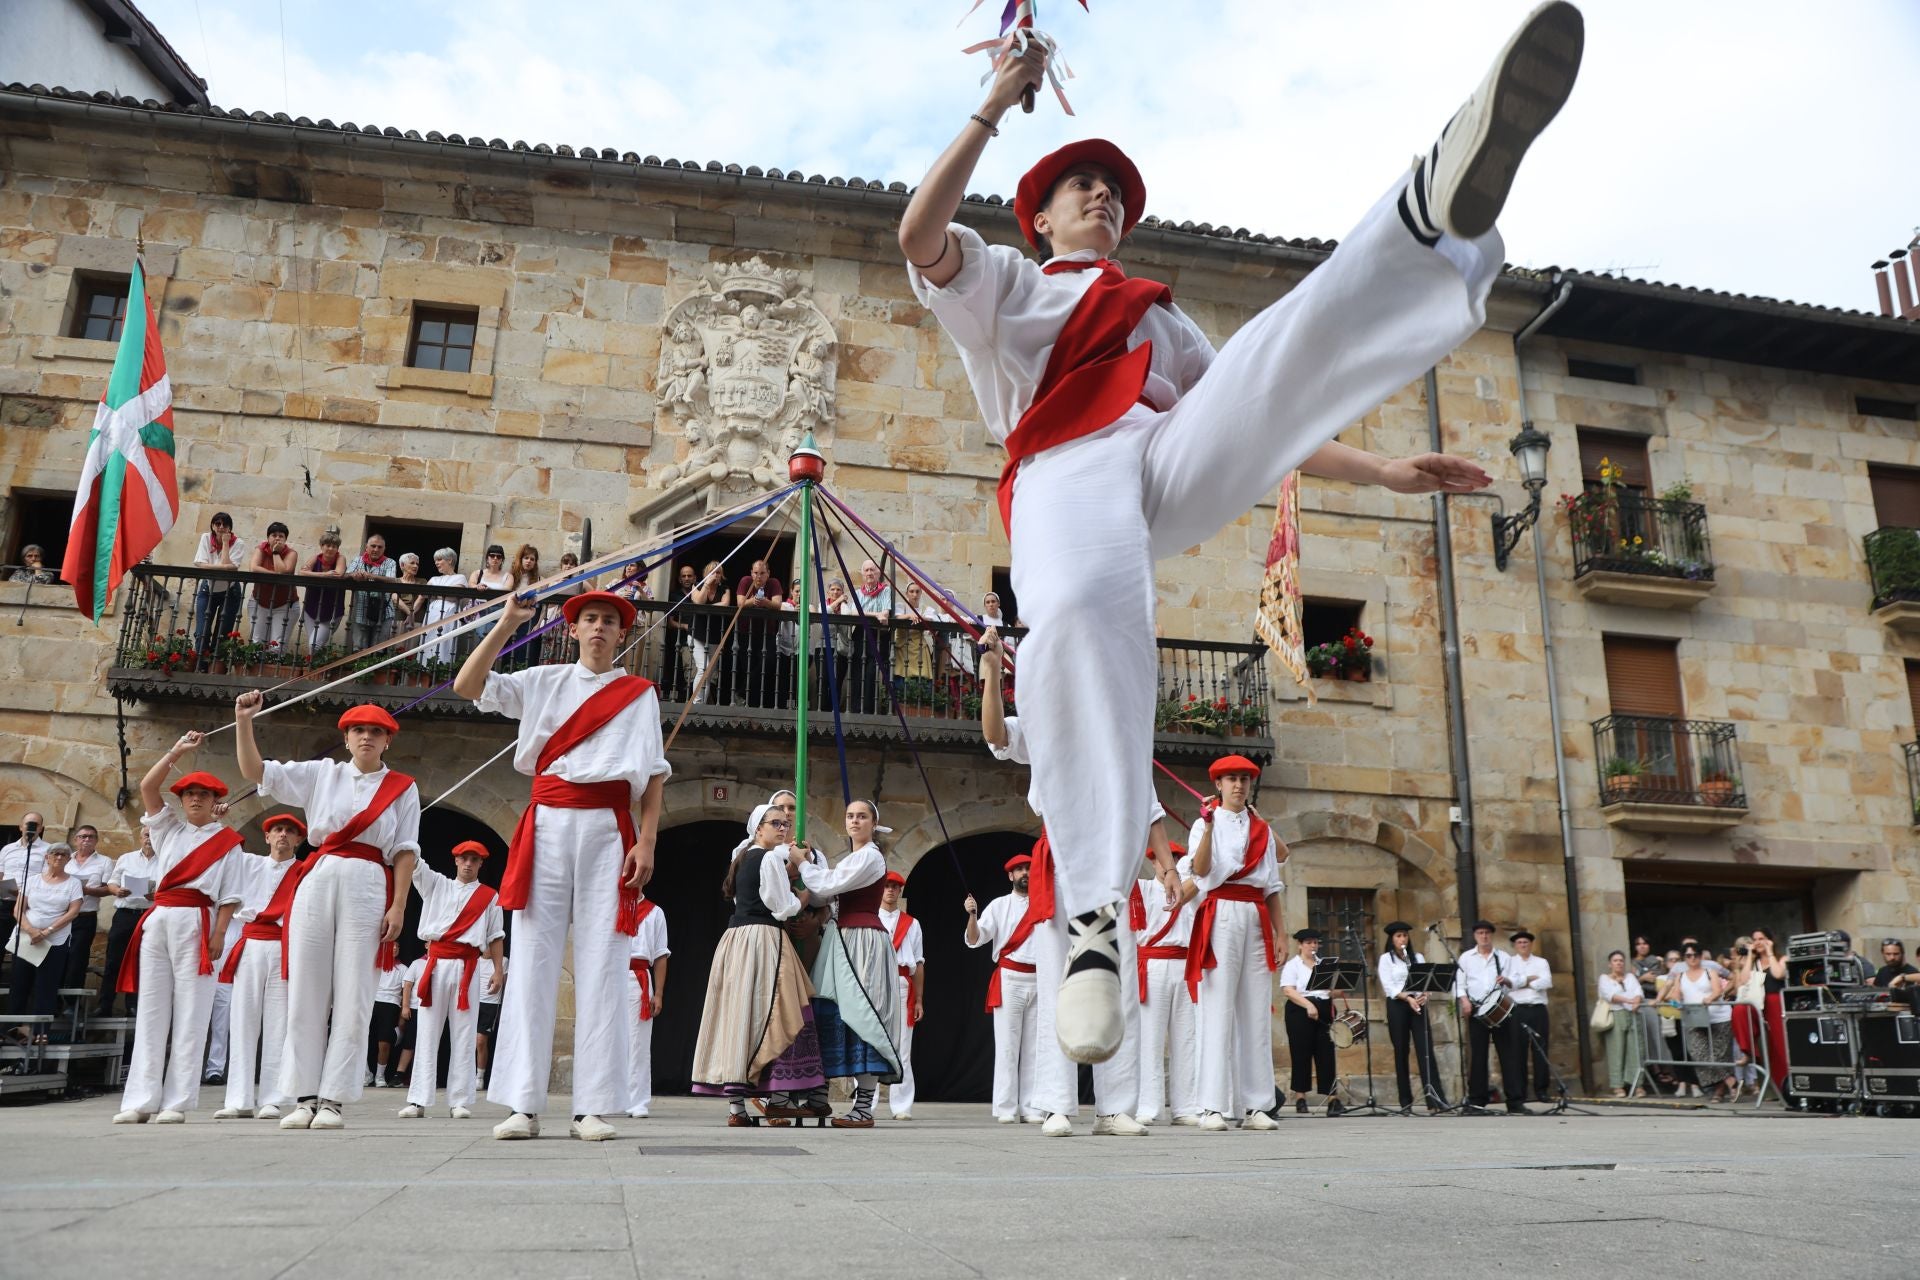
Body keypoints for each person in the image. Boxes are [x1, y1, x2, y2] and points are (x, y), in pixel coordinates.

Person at [898, 5, 1579, 1066]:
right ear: (1040, 215)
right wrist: (993, 105)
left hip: (1158, 470)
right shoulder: (1010, 289)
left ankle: (1425, 212)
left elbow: (1268, 418)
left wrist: (1387, 470)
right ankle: (1091, 917)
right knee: (1075, 617)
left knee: (1266, 350)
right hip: (1062, 472)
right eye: (1083, 184)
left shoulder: (1163, 318)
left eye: (1115, 188)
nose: (1104, 195)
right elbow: (918, 237)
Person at [452, 589, 668, 1142]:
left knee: (604, 959)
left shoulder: (639, 695)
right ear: (573, 629)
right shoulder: (543, 679)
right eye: (589, 620)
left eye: (609, 622)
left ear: (622, 635)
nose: (598, 628)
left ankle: (592, 1106)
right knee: (532, 959)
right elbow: (468, 686)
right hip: (547, 819)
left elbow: (654, 772)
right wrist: (505, 623)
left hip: (607, 827)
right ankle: (523, 1104)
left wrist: (646, 842)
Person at [234, 694, 421, 1131]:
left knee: (356, 993)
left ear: (388, 741)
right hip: (319, 875)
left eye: (376, 732)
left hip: (370, 880)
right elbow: (255, 772)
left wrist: (398, 904)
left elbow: (406, 850)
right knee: (305, 989)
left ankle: (334, 1098)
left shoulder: (403, 787)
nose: (367, 738)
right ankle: (303, 1096)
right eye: (359, 731)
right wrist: (245, 722)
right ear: (347, 738)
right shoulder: (322, 774)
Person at [112, 742, 245, 1124]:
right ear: (182, 799)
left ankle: (177, 1101)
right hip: (159, 918)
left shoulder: (228, 843)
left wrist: (219, 934)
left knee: (192, 1011)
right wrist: (175, 752)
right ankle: (140, 1099)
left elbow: (230, 895)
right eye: (189, 793)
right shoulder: (168, 828)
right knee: (152, 1009)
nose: (196, 799)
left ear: (216, 799)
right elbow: (148, 790)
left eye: (204, 794)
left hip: (197, 919)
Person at [692, 804, 826, 1124]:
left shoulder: (743, 857)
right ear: (759, 828)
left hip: (736, 938)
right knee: (782, 1011)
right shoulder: (767, 858)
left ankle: (737, 1108)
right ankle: (779, 1095)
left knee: (740, 1016)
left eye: (785, 823)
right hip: (763, 939)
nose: (782, 828)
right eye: (775, 823)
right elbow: (782, 907)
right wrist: (802, 896)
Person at [1188, 755, 1286, 1131]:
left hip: (1255, 912)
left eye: (1244, 779)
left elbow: (1273, 883)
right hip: (1221, 911)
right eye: (1230, 779)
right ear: (1218, 785)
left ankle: (1258, 1105)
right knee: (1217, 1007)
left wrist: (1280, 932)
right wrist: (1210, 827)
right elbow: (1199, 871)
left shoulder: (1261, 827)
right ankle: (1211, 1105)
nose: (1238, 785)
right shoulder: (1203, 824)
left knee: (1256, 1011)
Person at [797, 800, 903, 1128]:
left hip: (863, 941)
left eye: (862, 816)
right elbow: (821, 893)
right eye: (851, 816)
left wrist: (803, 864)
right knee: (830, 1010)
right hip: (842, 940)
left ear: (874, 824)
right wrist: (810, 864)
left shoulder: (870, 856)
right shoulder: (855, 859)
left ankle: (864, 1108)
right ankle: (818, 1097)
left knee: (862, 1014)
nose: (855, 821)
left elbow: (826, 886)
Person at [399, 840, 505, 1120]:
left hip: (467, 966)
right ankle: (418, 1099)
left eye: (475, 859)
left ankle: (459, 1100)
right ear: (455, 860)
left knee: (464, 1033)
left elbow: (495, 935)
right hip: (434, 965)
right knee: (427, 1031)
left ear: (481, 864)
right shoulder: (436, 884)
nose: (468, 863)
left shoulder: (490, 896)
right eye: (464, 858)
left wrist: (497, 970)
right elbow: (413, 859)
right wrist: (406, 831)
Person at [213, 813, 304, 1119]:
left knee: (279, 1021)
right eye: (277, 830)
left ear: (298, 840)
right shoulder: (250, 863)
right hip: (251, 943)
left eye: (289, 832)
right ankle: (238, 1099)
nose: (282, 835)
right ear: (266, 837)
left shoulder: (304, 871)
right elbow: (222, 849)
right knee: (242, 1018)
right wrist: (220, 821)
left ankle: (272, 1098)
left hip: (284, 945)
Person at [965, 853, 1042, 1124]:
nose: (1024, 873)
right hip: (1010, 978)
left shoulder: (1044, 905)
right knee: (1008, 1046)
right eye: (1019, 870)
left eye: (1028, 869)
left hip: (1039, 979)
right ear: (1010, 876)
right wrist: (972, 915)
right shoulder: (998, 906)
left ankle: (1032, 1107)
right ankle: (1006, 1107)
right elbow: (975, 939)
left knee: (1034, 1048)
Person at [1134, 847, 1199, 1127]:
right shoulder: (1141, 888)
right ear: (1152, 862)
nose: (1166, 865)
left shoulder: (1191, 892)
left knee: (1187, 1038)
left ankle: (1185, 1106)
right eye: (1161, 860)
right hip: (1154, 963)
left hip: (1185, 963)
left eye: (1172, 861)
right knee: (1150, 1038)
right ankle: (1149, 1105)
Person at [9, 842, 83, 1038]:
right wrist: (32, 931)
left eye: (64, 855)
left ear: (69, 859)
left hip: (54, 941)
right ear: (47, 857)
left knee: (46, 987)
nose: (59, 858)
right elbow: (18, 909)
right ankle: (10, 1030)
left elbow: (73, 911)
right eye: (55, 854)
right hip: (27, 938)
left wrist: (47, 931)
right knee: (19, 984)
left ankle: (40, 1033)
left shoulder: (73, 883)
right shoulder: (32, 880)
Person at [1454, 920, 1526, 1114]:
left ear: (1491, 935)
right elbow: (1459, 983)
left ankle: (1515, 1101)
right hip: (1478, 1009)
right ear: (1475, 936)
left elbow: (1518, 979)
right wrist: (1464, 1001)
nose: (1484, 936)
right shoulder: (1466, 958)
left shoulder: (1503, 957)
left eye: (1486, 933)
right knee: (1478, 1056)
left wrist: (1507, 980)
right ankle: (1478, 1099)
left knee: (1508, 1055)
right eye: (1480, 933)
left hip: (1500, 1008)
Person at [1378, 921, 1445, 1113]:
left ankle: (1434, 1100)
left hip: (1417, 1004)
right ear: (1392, 939)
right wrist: (1407, 998)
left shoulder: (1417, 957)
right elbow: (1389, 987)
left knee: (1425, 1050)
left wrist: (1425, 994)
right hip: (1398, 1004)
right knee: (1401, 1051)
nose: (1402, 939)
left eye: (1405, 936)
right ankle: (1405, 1101)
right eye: (1398, 936)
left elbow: (1425, 980)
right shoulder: (1386, 959)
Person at [1277, 929, 1338, 1119]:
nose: (1313, 946)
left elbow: (1331, 990)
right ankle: (1300, 1097)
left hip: (1323, 1007)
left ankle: (1332, 1098)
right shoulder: (1293, 965)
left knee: (1326, 1052)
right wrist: (1308, 1005)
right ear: (1300, 945)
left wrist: (1334, 990)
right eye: (1309, 942)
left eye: (1315, 942)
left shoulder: (1323, 965)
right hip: (1300, 1009)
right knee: (1301, 1053)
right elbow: (1288, 990)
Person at [97, 826, 158, 1015]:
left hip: (149, 916)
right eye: (147, 835)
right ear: (140, 837)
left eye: (154, 835)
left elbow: (170, 888)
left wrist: (155, 895)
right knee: (114, 960)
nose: (150, 839)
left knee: (143, 961)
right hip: (125, 914)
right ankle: (105, 1004)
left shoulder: (166, 861)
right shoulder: (126, 858)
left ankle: (133, 1005)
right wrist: (117, 891)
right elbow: (112, 882)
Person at [877, 870, 923, 1120]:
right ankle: (865, 1102)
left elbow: (919, 962)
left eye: (895, 886)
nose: (891, 890)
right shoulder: (871, 918)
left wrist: (919, 999)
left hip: (903, 981)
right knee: (871, 1041)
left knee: (903, 1047)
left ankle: (902, 1106)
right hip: (875, 982)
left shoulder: (912, 923)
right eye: (887, 886)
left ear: (900, 891)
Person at [624, 891, 669, 1120]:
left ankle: (637, 1100)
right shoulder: (608, 905)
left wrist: (658, 993)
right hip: (610, 975)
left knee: (638, 1042)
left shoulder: (654, 912)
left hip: (638, 978)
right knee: (605, 1039)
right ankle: (604, 1098)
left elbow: (661, 955)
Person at [1671, 943, 1733, 1101]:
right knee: (1698, 1053)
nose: (1692, 958)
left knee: (1719, 1055)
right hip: (1694, 1017)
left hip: (1718, 1017)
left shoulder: (1709, 971)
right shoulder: (1680, 975)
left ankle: (1719, 1092)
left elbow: (1717, 990)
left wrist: (1709, 999)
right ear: (1684, 958)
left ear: (1700, 956)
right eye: (1688, 955)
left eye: (1695, 955)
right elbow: (1675, 995)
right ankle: (1730, 1081)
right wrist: (1677, 1003)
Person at [61, 824, 114, 991]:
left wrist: (85, 890)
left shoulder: (104, 861)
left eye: (91, 836)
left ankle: (70, 1002)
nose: (87, 839)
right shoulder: (64, 859)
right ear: (75, 839)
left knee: (78, 958)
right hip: (60, 916)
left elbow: (108, 889)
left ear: (96, 840)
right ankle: (53, 1002)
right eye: (83, 836)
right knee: (58, 956)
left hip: (85, 916)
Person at [1506, 929, 1553, 1100]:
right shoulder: (1509, 962)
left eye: (1526, 942)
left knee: (1540, 1049)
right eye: (1519, 943)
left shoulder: (1541, 962)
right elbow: (1508, 985)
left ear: (1531, 944)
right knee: (1518, 1051)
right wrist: (1530, 979)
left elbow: (1546, 981)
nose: (1523, 945)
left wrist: (1523, 983)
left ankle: (1542, 1090)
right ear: (1515, 946)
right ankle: (1521, 1091)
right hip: (1518, 1009)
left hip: (1537, 1008)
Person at [192, 510, 245, 657]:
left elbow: (228, 567)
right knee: (202, 631)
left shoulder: (238, 543)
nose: (221, 527)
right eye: (217, 523)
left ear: (230, 528)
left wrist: (226, 543)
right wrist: (224, 568)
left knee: (223, 632)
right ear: (212, 526)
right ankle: (200, 665)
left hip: (230, 591)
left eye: (225, 524)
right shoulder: (206, 538)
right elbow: (200, 563)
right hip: (208, 589)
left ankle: (215, 666)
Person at [733, 559, 784, 707]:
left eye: (762, 573)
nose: (758, 577)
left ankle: (741, 692)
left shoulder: (774, 583)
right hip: (745, 632)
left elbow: (777, 604)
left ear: (768, 574)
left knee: (768, 661)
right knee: (748, 667)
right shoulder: (745, 581)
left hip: (767, 632)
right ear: (751, 573)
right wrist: (754, 601)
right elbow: (740, 603)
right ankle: (751, 704)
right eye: (756, 573)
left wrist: (765, 602)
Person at [845, 560, 894, 713]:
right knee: (858, 671)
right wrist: (876, 614)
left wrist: (880, 614)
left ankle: (868, 709)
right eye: (866, 570)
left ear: (878, 573)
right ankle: (855, 708)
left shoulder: (885, 591)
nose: (869, 573)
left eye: (872, 570)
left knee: (872, 673)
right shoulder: (858, 593)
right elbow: (854, 613)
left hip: (878, 635)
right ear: (862, 574)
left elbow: (886, 612)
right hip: (861, 634)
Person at [1597, 948, 1643, 1097]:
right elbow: (1609, 995)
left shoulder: (1630, 977)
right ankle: (1617, 1085)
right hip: (1616, 1014)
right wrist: (1628, 999)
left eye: (1621, 961)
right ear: (1610, 964)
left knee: (1636, 1049)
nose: (1619, 963)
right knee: (1616, 1050)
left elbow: (1638, 992)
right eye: (1615, 961)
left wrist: (1636, 1001)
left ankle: (1637, 1084)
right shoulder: (1604, 978)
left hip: (1632, 1014)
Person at [248, 522, 300, 650]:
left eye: (281, 536)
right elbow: (254, 568)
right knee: (257, 643)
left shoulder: (291, 553)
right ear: (268, 538)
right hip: (259, 602)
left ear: (285, 539)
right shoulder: (261, 549)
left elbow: (282, 571)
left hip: (285, 604)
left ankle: (271, 670)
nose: (277, 538)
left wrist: (276, 553)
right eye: (274, 535)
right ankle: (255, 670)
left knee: (277, 645)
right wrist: (273, 574)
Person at [345, 533, 398, 653]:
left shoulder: (390, 562)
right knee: (359, 648)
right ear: (366, 547)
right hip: (361, 609)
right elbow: (345, 575)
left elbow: (391, 580)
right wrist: (354, 575)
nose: (376, 549)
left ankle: (375, 671)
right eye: (373, 546)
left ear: (384, 549)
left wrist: (370, 576)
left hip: (384, 611)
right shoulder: (358, 560)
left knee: (378, 649)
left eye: (380, 547)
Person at [688, 560, 732, 705]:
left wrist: (707, 608)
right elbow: (699, 602)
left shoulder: (725, 589)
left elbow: (724, 604)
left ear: (722, 575)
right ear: (706, 574)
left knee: (709, 674)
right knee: (704, 668)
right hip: (697, 635)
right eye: (712, 572)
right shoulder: (697, 586)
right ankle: (695, 704)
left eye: (718, 572)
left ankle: (701, 704)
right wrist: (706, 585)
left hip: (714, 637)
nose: (715, 575)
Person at [298, 526, 347, 654]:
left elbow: (338, 573)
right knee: (314, 645)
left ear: (337, 548)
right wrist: (324, 575)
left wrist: (314, 574)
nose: (331, 548)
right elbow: (302, 572)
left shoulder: (340, 558)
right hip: (311, 607)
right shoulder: (316, 558)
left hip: (331, 611)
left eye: (334, 546)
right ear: (322, 546)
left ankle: (311, 672)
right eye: (328, 545)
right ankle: (318, 671)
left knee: (314, 645)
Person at [659, 563, 699, 699]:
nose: (687, 578)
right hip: (682, 640)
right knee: (691, 669)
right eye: (684, 576)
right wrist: (685, 626)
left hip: (701, 638)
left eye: (689, 576)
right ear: (680, 579)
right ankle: (692, 701)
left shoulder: (699, 594)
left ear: (695, 578)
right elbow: (670, 622)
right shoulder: (674, 595)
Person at [367, 951, 406, 1088]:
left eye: (397, 946)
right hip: (371, 1002)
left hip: (391, 1004)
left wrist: (402, 1015)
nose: (394, 948)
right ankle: (366, 1074)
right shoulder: (375, 965)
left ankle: (380, 1075)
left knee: (384, 1042)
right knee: (363, 1040)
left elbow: (404, 992)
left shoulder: (403, 969)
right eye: (392, 946)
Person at [424, 548, 466, 667]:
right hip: (431, 615)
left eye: (439, 559)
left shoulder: (460, 577)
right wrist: (411, 615)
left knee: (444, 645)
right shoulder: (434, 579)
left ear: (450, 560)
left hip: (449, 615)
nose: (436, 563)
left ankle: (440, 675)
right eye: (435, 560)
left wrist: (435, 594)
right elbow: (423, 595)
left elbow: (454, 596)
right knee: (428, 644)